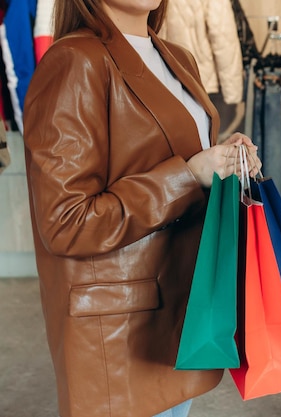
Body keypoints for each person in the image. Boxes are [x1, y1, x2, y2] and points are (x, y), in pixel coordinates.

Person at [22, 1, 260, 416]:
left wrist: (222, 161)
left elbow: (177, 161)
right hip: (119, 334)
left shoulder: (176, 57)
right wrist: (187, 176)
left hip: (179, 314)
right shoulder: (74, 61)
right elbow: (66, 222)